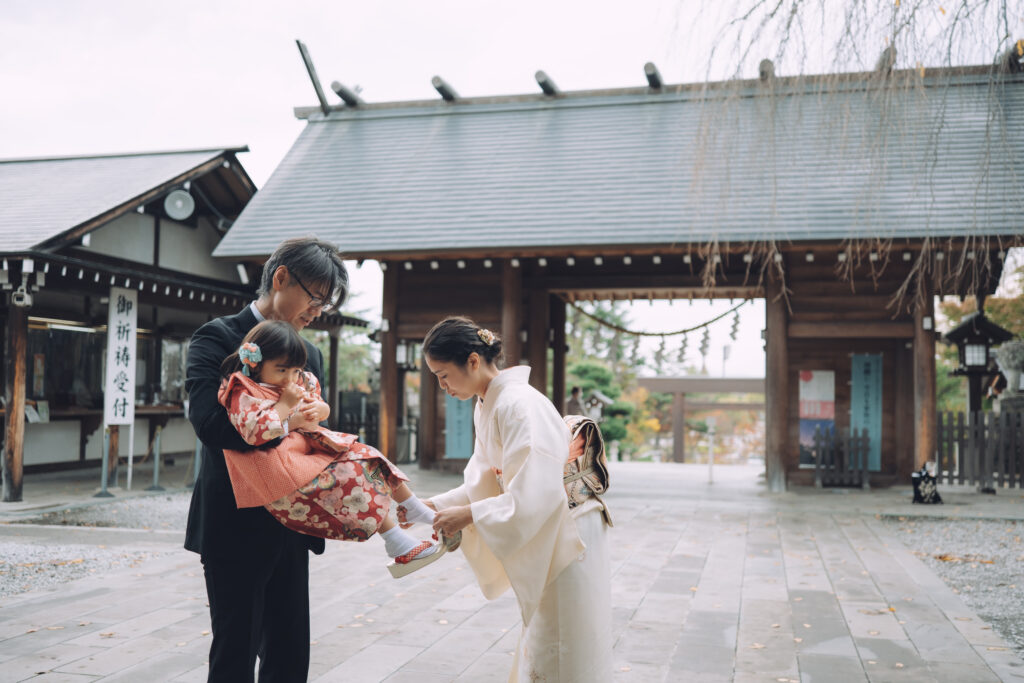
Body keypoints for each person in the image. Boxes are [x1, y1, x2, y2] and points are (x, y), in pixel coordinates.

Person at [184, 237, 347, 683]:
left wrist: (313, 421)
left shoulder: (308, 354)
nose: (318, 311)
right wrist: (286, 421)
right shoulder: (216, 337)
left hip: (294, 522)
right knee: (236, 652)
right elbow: (210, 427)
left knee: (290, 655)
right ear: (280, 278)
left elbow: (315, 430)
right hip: (234, 523)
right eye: (315, 297)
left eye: (325, 304)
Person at [422, 317, 613, 682]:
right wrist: (438, 505)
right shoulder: (488, 404)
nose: (441, 385)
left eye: (443, 375)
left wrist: (468, 515)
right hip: (547, 523)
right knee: (547, 635)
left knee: (562, 638)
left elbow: (535, 493)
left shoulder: (518, 404)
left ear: (474, 361)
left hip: (569, 529)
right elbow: (484, 481)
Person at [217, 319, 447, 576]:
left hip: (306, 452)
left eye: (294, 371)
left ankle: (412, 506)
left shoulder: (297, 379)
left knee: (368, 457)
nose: (290, 378)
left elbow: (319, 406)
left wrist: (320, 409)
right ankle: (396, 540)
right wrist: (286, 408)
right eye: (281, 370)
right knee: (352, 480)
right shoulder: (243, 389)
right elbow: (253, 432)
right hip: (278, 468)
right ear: (255, 363)